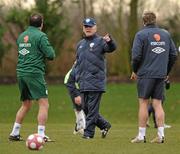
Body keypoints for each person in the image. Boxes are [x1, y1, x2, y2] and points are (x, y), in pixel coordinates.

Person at [130, 11, 177, 143]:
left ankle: (141, 135)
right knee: (158, 103)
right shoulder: (166, 34)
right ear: (155, 20)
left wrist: (135, 70)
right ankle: (161, 135)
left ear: (143, 21)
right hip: (161, 74)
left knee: (143, 103)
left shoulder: (140, 35)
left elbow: (136, 56)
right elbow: (173, 54)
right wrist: (166, 70)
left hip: (145, 74)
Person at [9, 13, 55, 142]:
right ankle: (41, 135)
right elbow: (51, 55)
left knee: (26, 104)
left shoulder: (21, 36)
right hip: (34, 73)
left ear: (29, 23)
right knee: (44, 103)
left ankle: (15, 132)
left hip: (21, 73)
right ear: (41, 24)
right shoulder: (41, 36)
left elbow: (23, 52)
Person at [75, 17, 116, 139]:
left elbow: (112, 48)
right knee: (86, 109)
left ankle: (88, 133)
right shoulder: (80, 44)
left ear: (95, 27)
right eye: (85, 27)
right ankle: (104, 125)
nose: (88, 29)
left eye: (90, 26)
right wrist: (77, 76)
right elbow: (77, 62)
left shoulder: (100, 41)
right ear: (83, 28)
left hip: (96, 81)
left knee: (92, 109)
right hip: (83, 82)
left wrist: (110, 41)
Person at [64, 62, 86, 135]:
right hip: (71, 86)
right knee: (79, 106)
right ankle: (82, 127)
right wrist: (76, 95)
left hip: (76, 86)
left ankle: (78, 127)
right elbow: (69, 81)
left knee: (79, 107)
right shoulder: (77, 67)